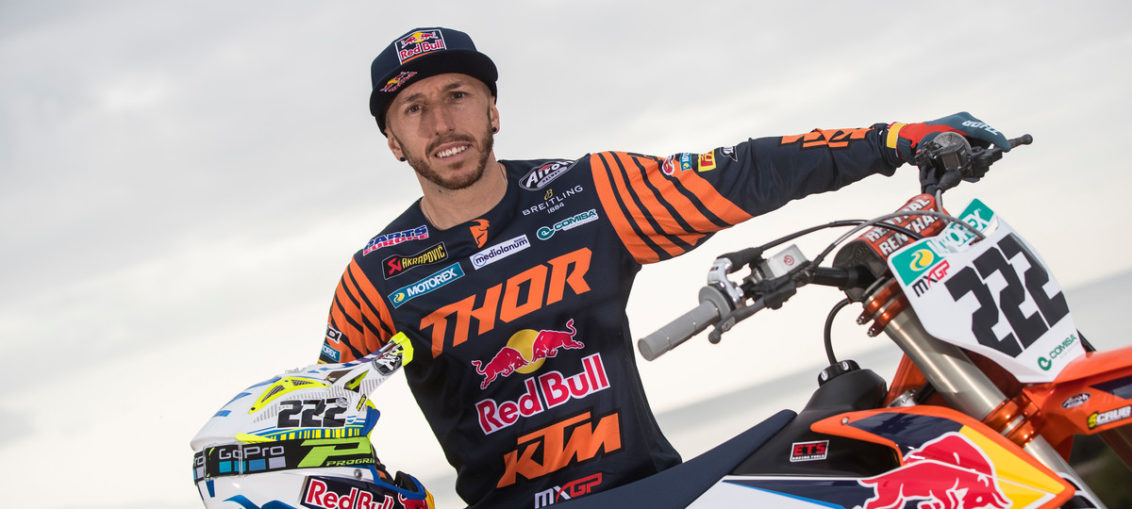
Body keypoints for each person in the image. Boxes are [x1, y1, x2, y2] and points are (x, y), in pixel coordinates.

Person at [317, 26, 1010, 508]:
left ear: (493, 110)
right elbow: (321, 426)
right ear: (393, 140)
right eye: (414, 108)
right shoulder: (375, 277)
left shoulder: (589, 192)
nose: (441, 122)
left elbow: (746, 171)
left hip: (656, 491)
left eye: (458, 95)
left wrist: (894, 140)